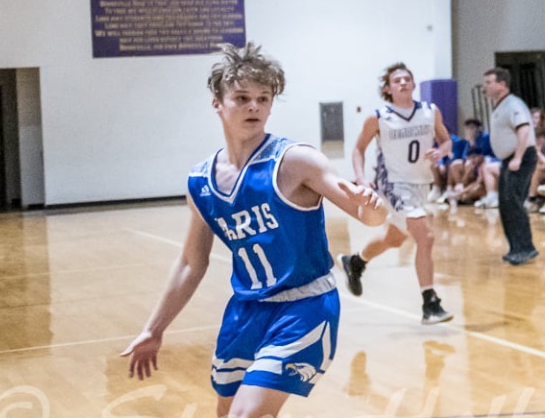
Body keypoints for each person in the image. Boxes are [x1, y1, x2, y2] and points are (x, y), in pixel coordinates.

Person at [123, 44, 389, 412]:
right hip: (246, 310)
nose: (254, 107)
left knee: (244, 414)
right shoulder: (201, 181)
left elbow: (368, 216)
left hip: (305, 306)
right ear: (218, 103)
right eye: (242, 98)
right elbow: (191, 263)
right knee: (226, 411)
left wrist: (373, 206)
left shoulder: (296, 161)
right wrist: (154, 329)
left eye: (263, 98)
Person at [342, 62, 453, 324]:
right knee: (425, 237)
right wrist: (361, 179)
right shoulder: (378, 117)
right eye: (397, 80)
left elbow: (447, 140)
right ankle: (430, 303)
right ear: (388, 89)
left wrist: (441, 151)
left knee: (394, 238)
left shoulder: (430, 111)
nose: (402, 83)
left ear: (414, 84)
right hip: (393, 184)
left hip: (421, 183)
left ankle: (356, 262)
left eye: (406, 79)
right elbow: (358, 149)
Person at [482, 68, 538, 265]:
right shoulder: (500, 106)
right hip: (509, 159)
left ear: (502, 84)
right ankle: (515, 248)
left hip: (520, 158)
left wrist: (518, 157)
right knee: (506, 204)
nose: (485, 87)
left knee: (513, 202)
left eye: (488, 82)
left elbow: (524, 130)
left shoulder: (513, 104)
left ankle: (526, 248)